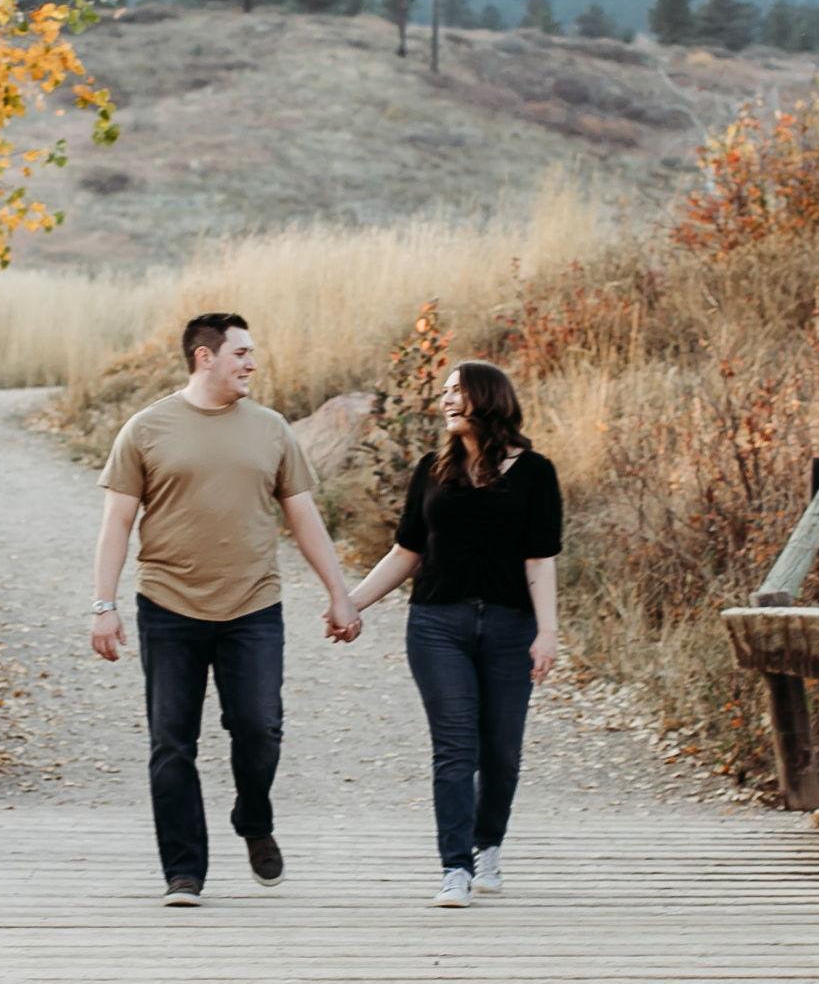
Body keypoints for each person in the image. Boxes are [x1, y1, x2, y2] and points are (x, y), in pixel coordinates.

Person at [92, 312, 363, 907]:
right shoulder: (145, 429)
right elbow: (116, 521)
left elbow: (303, 516)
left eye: (252, 352)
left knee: (260, 729)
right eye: (240, 352)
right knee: (172, 743)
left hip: (253, 606)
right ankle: (184, 872)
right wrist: (103, 605)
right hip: (168, 606)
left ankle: (254, 816)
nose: (251, 363)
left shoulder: (271, 429)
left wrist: (339, 593)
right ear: (204, 357)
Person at [343, 359, 561, 907]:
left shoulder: (536, 473)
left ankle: (488, 846)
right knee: (455, 746)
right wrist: (351, 604)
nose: (445, 400)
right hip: (438, 624)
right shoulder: (431, 470)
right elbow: (406, 553)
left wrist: (548, 632)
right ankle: (454, 868)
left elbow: (540, 560)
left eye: (456, 391)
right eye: (443, 391)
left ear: (487, 398)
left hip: (511, 626)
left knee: (502, 751)